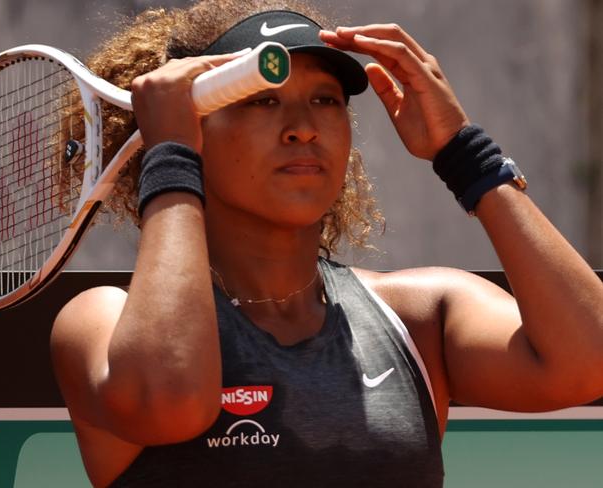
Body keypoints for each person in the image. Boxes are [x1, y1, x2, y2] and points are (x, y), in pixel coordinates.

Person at [50, 1, 603, 486]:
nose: (303, 127)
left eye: (325, 100)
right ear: (189, 128)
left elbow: (586, 363)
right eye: (262, 101)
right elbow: (165, 402)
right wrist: (168, 156)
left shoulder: (418, 318)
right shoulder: (101, 321)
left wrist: (465, 154)